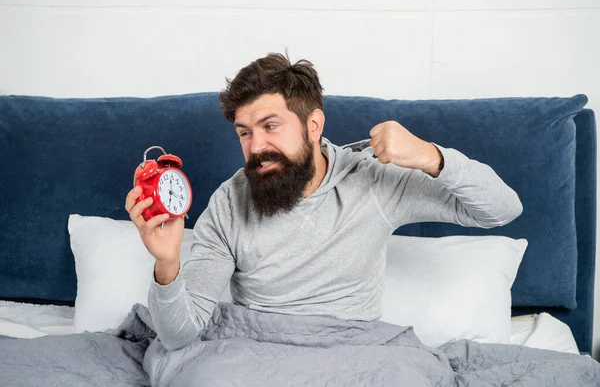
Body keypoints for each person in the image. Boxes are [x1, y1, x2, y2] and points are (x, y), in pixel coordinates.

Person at [125, 52, 523, 351]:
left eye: (271, 126)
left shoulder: (374, 181)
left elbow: (502, 210)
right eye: (244, 132)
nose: (256, 146)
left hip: (352, 353)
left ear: (313, 125)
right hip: (255, 354)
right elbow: (179, 337)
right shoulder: (230, 201)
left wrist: (431, 157)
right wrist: (167, 263)